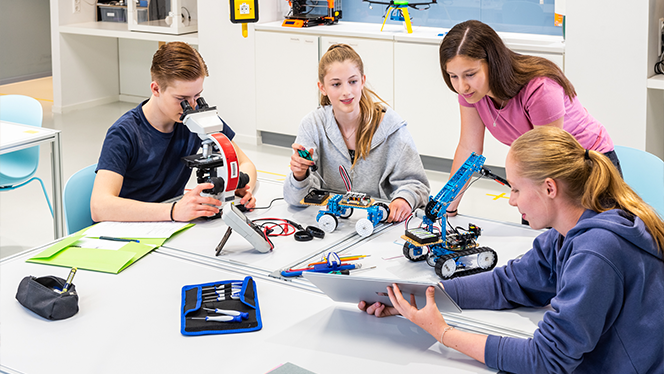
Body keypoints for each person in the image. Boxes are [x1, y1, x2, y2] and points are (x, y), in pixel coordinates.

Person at [359, 126, 664, 373]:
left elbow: (548, 360)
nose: (511, 201)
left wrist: (444, 334)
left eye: (516, 189)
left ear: (549, 188)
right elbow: (510, 283)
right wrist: (418, 298)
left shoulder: (596, 251)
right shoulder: (570, 230)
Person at [440, 20, 621, 217]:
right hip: (540, 171)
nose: (461, 86)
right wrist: (446, 206)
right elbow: (469, 148)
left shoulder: (540, 87)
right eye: (453, 76)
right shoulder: (472, 93)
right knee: (536, 240)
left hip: (587, 167)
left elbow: (549, 157)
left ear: (493, 62)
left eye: (470, 74)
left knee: (582, 241)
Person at [91, 42, 257, 222]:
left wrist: (242, 187)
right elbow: (99, 207)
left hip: (172, 223)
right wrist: (173, 211)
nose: (191, 106)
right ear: (156, 89)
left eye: (197, 96)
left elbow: (245, 164)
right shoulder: (124, 133)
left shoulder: (196, 121)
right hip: (130, 227)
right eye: (182, 99)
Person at [283, 44, 430, 223]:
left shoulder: (391, 125)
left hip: (380, 226)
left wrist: (404, 199)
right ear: (322, 88)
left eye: (352, 81)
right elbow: (295, 200)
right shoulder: (312, 125)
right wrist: (300, 175)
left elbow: (417, 184)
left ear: (362, 80)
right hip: (332, 226)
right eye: (336, 84)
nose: (346, 92)